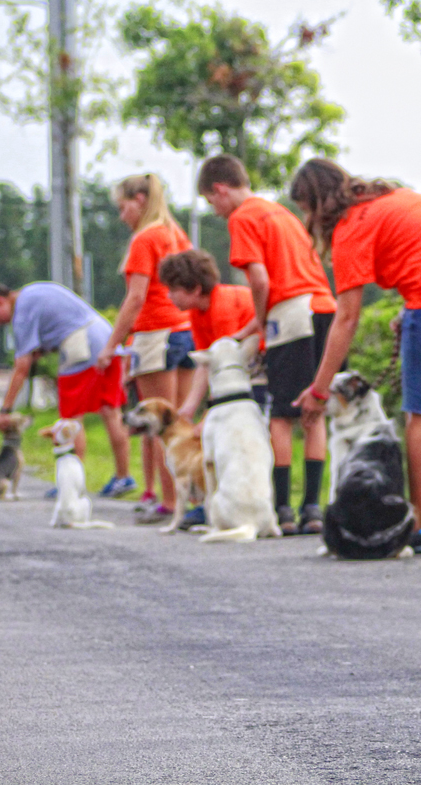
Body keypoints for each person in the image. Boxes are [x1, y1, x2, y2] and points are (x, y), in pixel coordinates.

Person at [288, 158, 421, 555]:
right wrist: (412, 309)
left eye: (304, 208)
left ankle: (419, 525)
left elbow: (346, 317)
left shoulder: (352, 225)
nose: (306, 218)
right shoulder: (395, 198)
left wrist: (318, 391)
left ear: (317, 202)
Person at [198, 154, 337, 535]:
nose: (216, 210)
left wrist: (260, 321)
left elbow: (259, 280)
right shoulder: (280, 213)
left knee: (281, 413)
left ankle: (283, 510)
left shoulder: (243, 217)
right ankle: (313, 507)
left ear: (220, 189)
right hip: (324, 307)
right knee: (315, 409)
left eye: (212, 202)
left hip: (289, 314)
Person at [0, 281, 133, 494]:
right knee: (111, 411)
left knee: (70, 418)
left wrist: (5, 410)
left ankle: (71, 485)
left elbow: (21, 367)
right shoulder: (33, 290)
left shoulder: (21, 312)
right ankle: (123, 478)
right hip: (107, 338)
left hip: (81, 345)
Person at [99, 174, 195, 521]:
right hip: (185, 330)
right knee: (181, 421)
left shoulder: (145, 238)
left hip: (156, 334)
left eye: (123, 207)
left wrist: (111, 345)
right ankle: (190, 499)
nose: (122, 215)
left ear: (140, 200)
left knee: (158, 425)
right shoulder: (176, 233)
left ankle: (169, 503)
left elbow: (136, 297)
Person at [157, 248, 263, 530]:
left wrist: (208, 417)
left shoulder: (223, 306)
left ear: (194, 288)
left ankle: (243, 500)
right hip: (234, 370)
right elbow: (206, 365)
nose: (169, 296)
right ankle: (212, 501)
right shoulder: (196, 313)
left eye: (173, 290)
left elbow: (225, 366)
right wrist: (189, 408)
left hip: (253, 364)